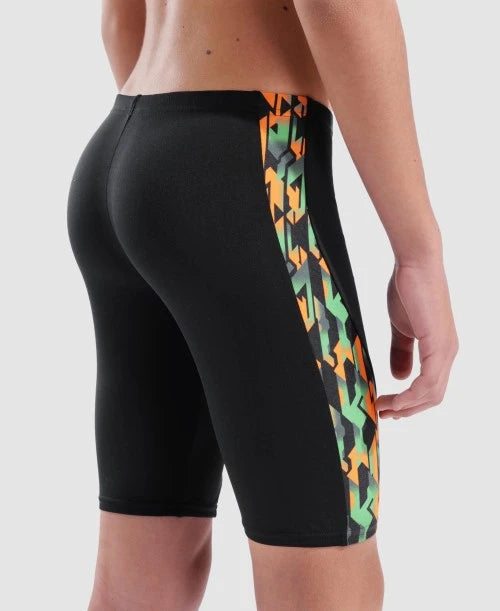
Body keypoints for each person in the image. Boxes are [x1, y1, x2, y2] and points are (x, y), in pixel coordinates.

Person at [66, 0, 458, 609]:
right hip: (253, 167)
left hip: (125, 146)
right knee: (329, 576)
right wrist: (418, 254)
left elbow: (122, 18)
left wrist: (165, 177)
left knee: (138, 580)